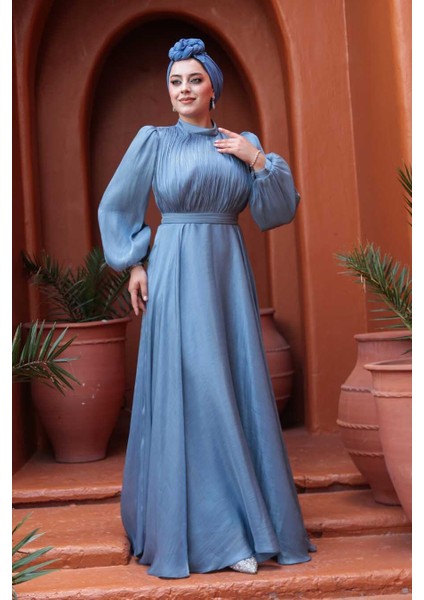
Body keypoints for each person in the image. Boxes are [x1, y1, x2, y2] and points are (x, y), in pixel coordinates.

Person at [98, 37, 316, 580]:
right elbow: (117, 205)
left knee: (230, 386)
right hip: (174, 270)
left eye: (194, 80)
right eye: (175, 81)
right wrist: (135, 263)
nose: (184, 90)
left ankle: (245, 523)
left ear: (212, 88)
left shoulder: (241, 144)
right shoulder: (153, 141)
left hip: (225, 274)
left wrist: (255, 158)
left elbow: (276, 211)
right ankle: (218, 536)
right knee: (195, 389)